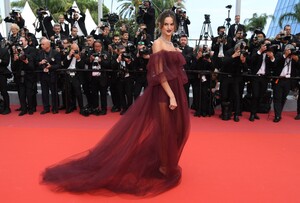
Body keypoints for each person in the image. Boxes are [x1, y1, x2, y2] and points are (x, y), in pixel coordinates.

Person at [41, 9, 190, 196]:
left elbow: (177, 71)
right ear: (160, 25)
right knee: (165, 129)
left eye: (171, 24)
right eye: (165, 24)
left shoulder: (172, 44)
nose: (169, 27)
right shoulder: (158, 44)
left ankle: (166, 162)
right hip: (163, 92)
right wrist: (172, 95)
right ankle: (163, 166)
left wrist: (177, 90)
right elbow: (159, 74)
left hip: (175, 90)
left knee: (178, 129)